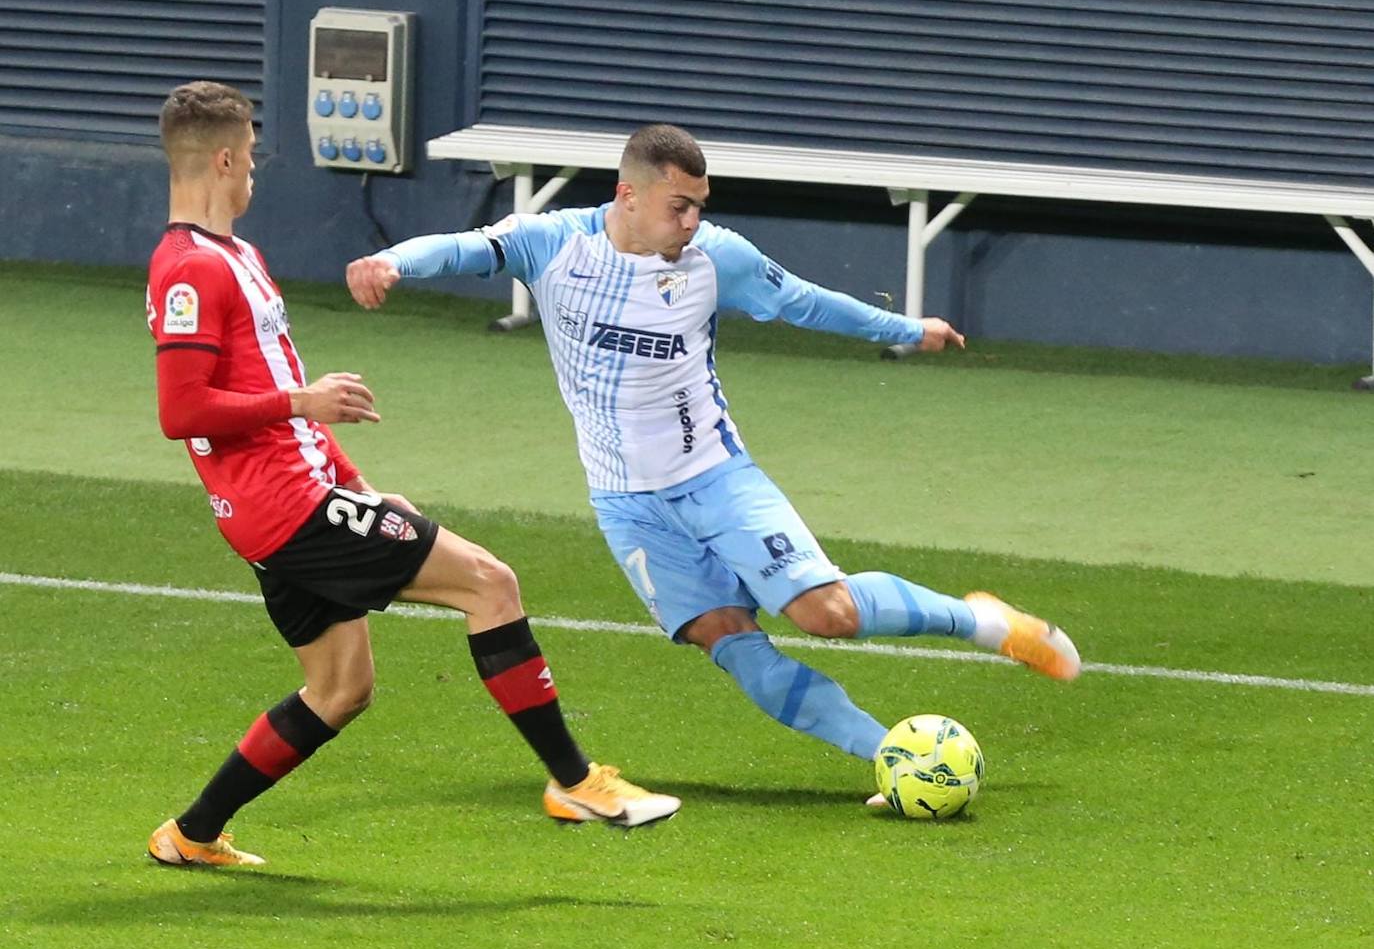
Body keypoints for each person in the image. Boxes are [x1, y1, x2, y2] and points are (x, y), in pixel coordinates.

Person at [346, 123, 1080, 801]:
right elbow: (466, 246)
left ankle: (982, 620)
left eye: (699, 205)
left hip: (717, 479)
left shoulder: (713, 258)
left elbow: (804, 302)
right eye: (678, 205)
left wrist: (905, 327)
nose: (690, 220)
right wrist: (389, 260)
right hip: (626, 504)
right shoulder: (554, 243)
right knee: (730, 641)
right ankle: (887, 755)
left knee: (828, 613)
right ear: (627, 195)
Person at [144, 84, 678, 867]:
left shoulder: (238, 257)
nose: (254, 171)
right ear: (224, 159)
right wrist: (306, 399)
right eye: (252, 156)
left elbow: (282, 412)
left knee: (340, 688)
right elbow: (182, 408)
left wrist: (356, 488)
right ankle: (574, 779)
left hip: (295, 500)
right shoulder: (189, 269)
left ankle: (190, 833)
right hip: (284, 508)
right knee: (490, 583)